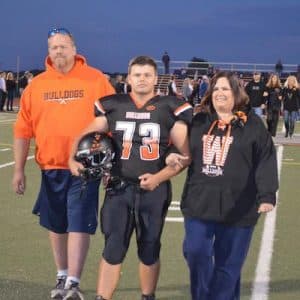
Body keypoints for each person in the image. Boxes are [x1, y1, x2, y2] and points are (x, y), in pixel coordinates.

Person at [68, 55, 193, 300]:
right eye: (137, 74)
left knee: (149, 248)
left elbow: (185, 155)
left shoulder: (170, 106)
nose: (142, 79)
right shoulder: (114, 105)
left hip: (153, 191)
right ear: (129, 78)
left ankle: (148, 296)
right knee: (113, 248)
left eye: (147, 75)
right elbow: (84, 136)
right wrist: (72, 159)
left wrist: (159, 177)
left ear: (156, 78)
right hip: (118, 188)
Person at [12, 27, 115, 300]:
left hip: (85, 167)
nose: (58, 51)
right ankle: (61, 273)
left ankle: (73, 281)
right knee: (56, 224)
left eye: (63, 46)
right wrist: (19, 169)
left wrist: (109, 165)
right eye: (53, 47)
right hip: (50, 167)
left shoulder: (96, 80)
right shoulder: (37, 85)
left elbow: (114, 123)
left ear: (74, 48)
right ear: (48, 51)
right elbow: (23, 131)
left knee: (78, 222)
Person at [166, 71, 278, 300]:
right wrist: (170, 155)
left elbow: (265, 159)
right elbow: (180, 146)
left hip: (239, 206)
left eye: (225, 89)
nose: (219, 93)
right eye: (216, 89)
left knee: (229, 266)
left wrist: (266, 195)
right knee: (195, 252)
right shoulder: (198, 121)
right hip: (200, 202)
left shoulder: (254, 125)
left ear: (236, 93)